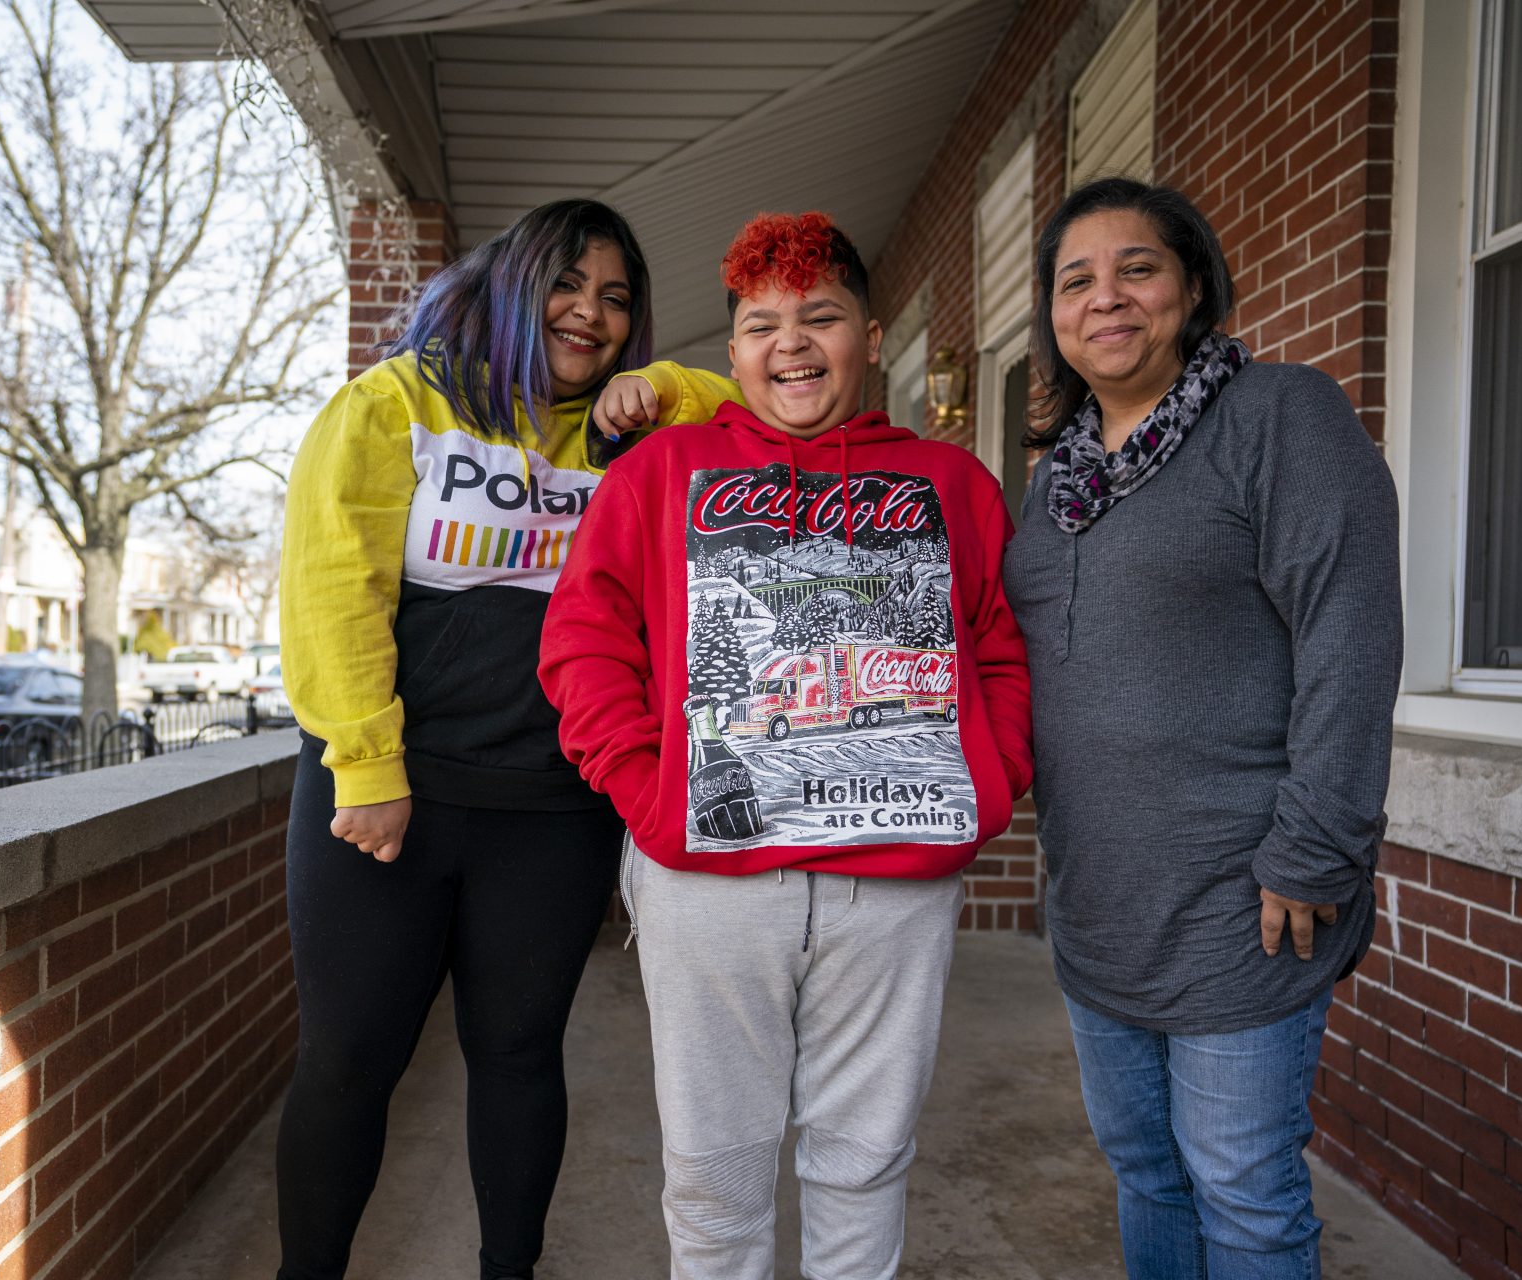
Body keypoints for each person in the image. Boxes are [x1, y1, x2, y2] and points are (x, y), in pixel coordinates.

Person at [540, 211, 1034, 1280]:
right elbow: (582, 642)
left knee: (865, 1166)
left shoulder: (954, 486)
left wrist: (986, 787)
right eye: (763, 323)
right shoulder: (663, 472)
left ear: (871, 331)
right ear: (732, 354)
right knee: (714, 1180)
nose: (792, 343)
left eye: (821, 316)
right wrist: (649, 790)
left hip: (893, 884)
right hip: (711, 878)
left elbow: (1000, 649)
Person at [1001, 177, 1403, 1278]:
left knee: (1244, 1188)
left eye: (1138, 267)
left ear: (1192, 284)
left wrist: (1317, 847)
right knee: (1146, 1171)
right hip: (1099, 902)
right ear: (1051, 315)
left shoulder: (1279, 416)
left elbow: (1350, 636)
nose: (1106, 297)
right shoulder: (1062, 481)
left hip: (1247, 897)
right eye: (1075, 279)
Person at [274, 198, 656, 1280]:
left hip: (550, 808)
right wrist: (369, 763)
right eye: (567, 285)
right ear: (511, 287)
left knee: (521, 1054)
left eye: (616, 298)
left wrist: (666, 388)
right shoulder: (393, 404)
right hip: (390, 800)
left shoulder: (626, 440)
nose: (590, 313)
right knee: (350, 1060)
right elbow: (331, 593)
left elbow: (741, 410)